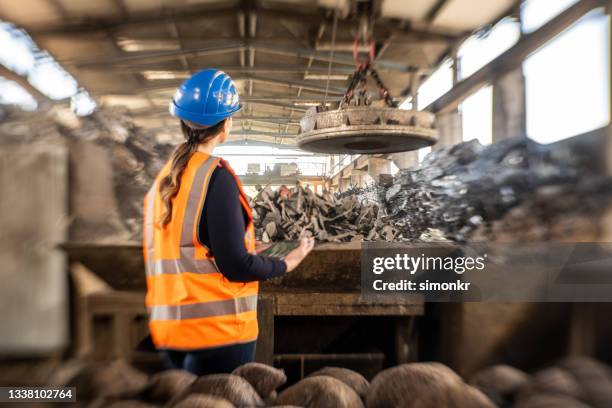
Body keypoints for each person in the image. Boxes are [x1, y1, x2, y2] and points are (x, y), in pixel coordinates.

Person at [143, 68, 315, 375]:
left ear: (183, 122)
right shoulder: (215, 176)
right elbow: (236, 265)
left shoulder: (162, 180)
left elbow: (186, 249)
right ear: (226, 124)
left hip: (170, 334)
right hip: (217, 335)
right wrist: (288, 262)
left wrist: (246, 245)